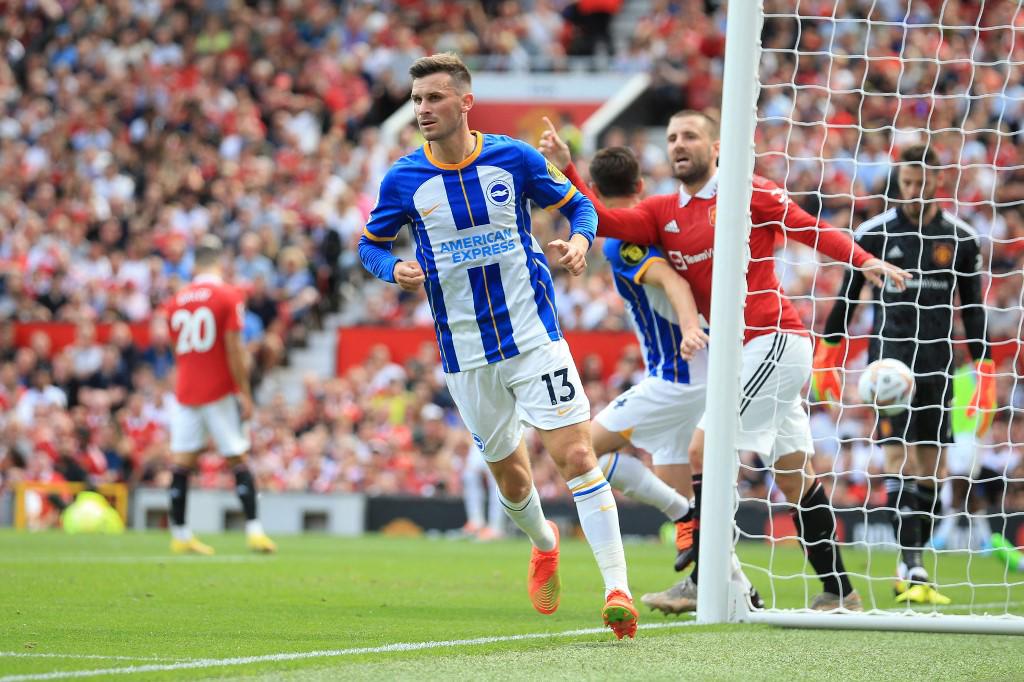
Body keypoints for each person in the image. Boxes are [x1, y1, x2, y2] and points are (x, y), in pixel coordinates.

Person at [540, 110, 909, 612]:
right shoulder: (661, 211)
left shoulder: (747, 191)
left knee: (703, 449)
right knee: (793, 475)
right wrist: (567, 169)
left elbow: (810, 229)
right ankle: (840, 592)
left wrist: (864, 260)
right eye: (672, 136)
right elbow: (603, 219)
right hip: (740, 355)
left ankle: (706, 580)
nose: (678, 144)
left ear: (715, 147)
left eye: (690, 135)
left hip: (774, 340)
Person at [358, 52, 637, 638]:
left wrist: (579, 242)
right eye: (417, 100)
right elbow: (369, 246)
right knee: (512, 479)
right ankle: (544, 542)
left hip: (534, 338)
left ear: (465, 102)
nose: (423, 109)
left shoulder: (515, 157)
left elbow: (579, 206)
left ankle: (618, 589)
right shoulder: (403, 179)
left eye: (435, 98)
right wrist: (392, 269)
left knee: (577, 456)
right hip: (465, 354)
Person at [815, 144, 993, 604]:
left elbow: (973, 309)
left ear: (938, 181)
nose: (913, 191)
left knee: (932, 473)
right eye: (907, 183)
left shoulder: (961, 238)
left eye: (921, 183)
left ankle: (907, 562)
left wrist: (986, 369)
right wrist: (828, 353)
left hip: (938, 364)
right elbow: (848, 297)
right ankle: (913, 567)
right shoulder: (873, 232)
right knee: (899, 461)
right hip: (890, 365)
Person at [580, 145, 745, 612]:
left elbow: (673, 282)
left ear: (594, 191)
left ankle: (682, 514)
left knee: (580, 449)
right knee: (685, 491)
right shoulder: (659, 224)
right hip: (695, 372)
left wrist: (689, 327)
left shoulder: (622, 242)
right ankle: (731, 586)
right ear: (640, 186)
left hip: (679, 377)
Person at [161, 235, 276, 556]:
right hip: (218, 388)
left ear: (194, 266)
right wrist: (245, 392)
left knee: (182, 463)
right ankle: (254, 531)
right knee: (238, 457)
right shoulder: (228, 295)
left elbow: (175, 349)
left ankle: (180, 535)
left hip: (186, 389)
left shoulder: (176, 300)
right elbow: (234, 348)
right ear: (219, 264)